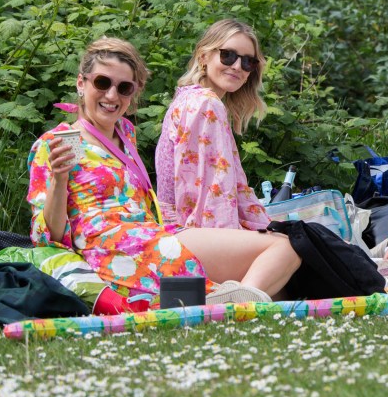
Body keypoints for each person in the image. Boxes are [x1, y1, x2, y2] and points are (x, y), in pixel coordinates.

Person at [27, 37, 301, 307]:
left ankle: (234, 298)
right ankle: (233, 303)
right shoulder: (64, 140)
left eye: (124, 88)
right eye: (102, 83)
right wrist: (59, 180)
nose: (112, 96)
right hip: (113, 247)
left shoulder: (126, 134)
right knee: (282, 254)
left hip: (151, 234)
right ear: (80, 83)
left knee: (284, 265)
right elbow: (50, 235)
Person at [155, 19, 270, 230]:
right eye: (228, 55)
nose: (237, 66)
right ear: (203, 56)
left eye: (248, 62)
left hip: (182, 229)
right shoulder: (205, 103)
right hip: (193, 234)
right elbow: (213, 199)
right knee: (293, 249)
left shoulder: (189, 98)